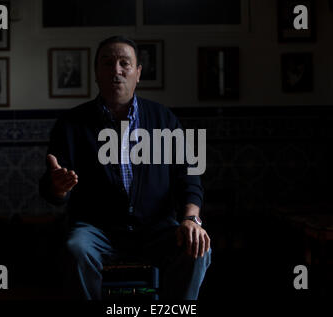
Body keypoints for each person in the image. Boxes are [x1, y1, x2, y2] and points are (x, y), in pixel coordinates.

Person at [39, 36, 211, 300]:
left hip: (156, 229)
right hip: (96, 231)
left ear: (138, 73)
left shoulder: (164, 119)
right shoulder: (71, 124)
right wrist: (58, 187)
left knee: (197, 248)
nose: (116, 70)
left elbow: (188, 177)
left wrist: (191, 219)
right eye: (107, 63)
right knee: (75, 248)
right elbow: (52, 190)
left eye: (124, 63)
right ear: (97, 73)